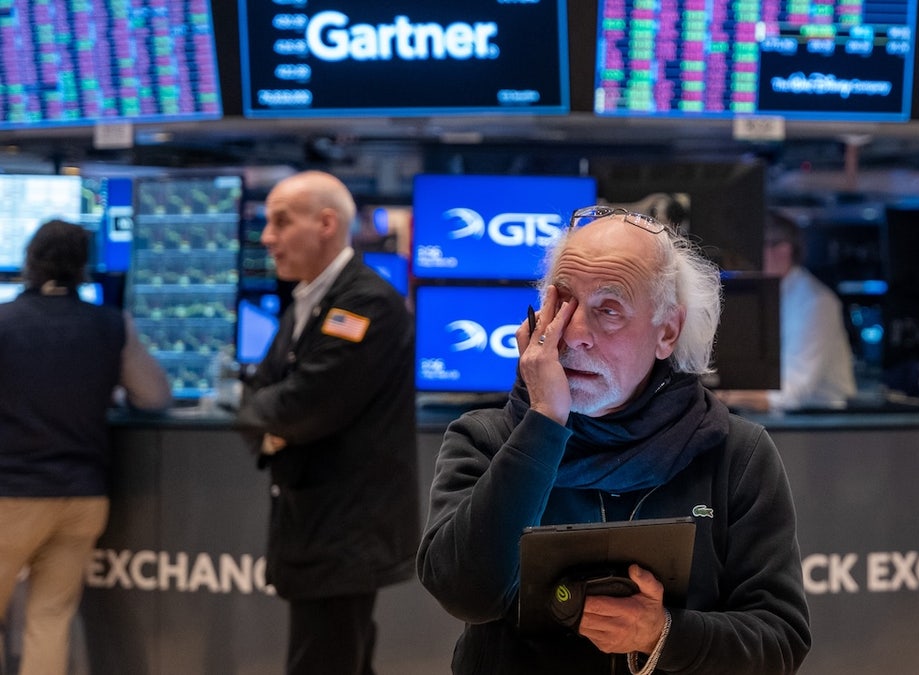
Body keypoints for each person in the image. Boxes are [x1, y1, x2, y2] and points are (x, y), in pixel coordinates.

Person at [417, 205, 811, 674]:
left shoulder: (735, 453)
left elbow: (780, 640)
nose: (575, 335)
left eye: (608, 309)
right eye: (562, 304)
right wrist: (544, 422)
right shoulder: (486, 438)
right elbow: (468, 593)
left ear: (667, 332)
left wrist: (663, 633)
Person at [235, 171, 419, 675]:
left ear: (326, 223)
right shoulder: (307, 299)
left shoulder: (366, 303)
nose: (267, 238)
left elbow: (303, 406)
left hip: (346, 533)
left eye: (280, 222)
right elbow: (260, 395)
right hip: (316, 528)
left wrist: (272, 421)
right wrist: (269, 422)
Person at [0, 219, 171, 675]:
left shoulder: (4, 323)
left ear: (29, 262)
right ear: (85, 268)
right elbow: (154, 397)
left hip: (11, 496)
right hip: (82, 499)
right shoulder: (110, 326)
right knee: (50, 619)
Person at [719, 210, 856, 412]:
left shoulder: (815, 302)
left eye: (753, 248)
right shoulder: (764, 295)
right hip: (784, 423)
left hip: (822, 425)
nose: (744, 258)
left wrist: (724, 396)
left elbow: (792, 391)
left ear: (783, 250)